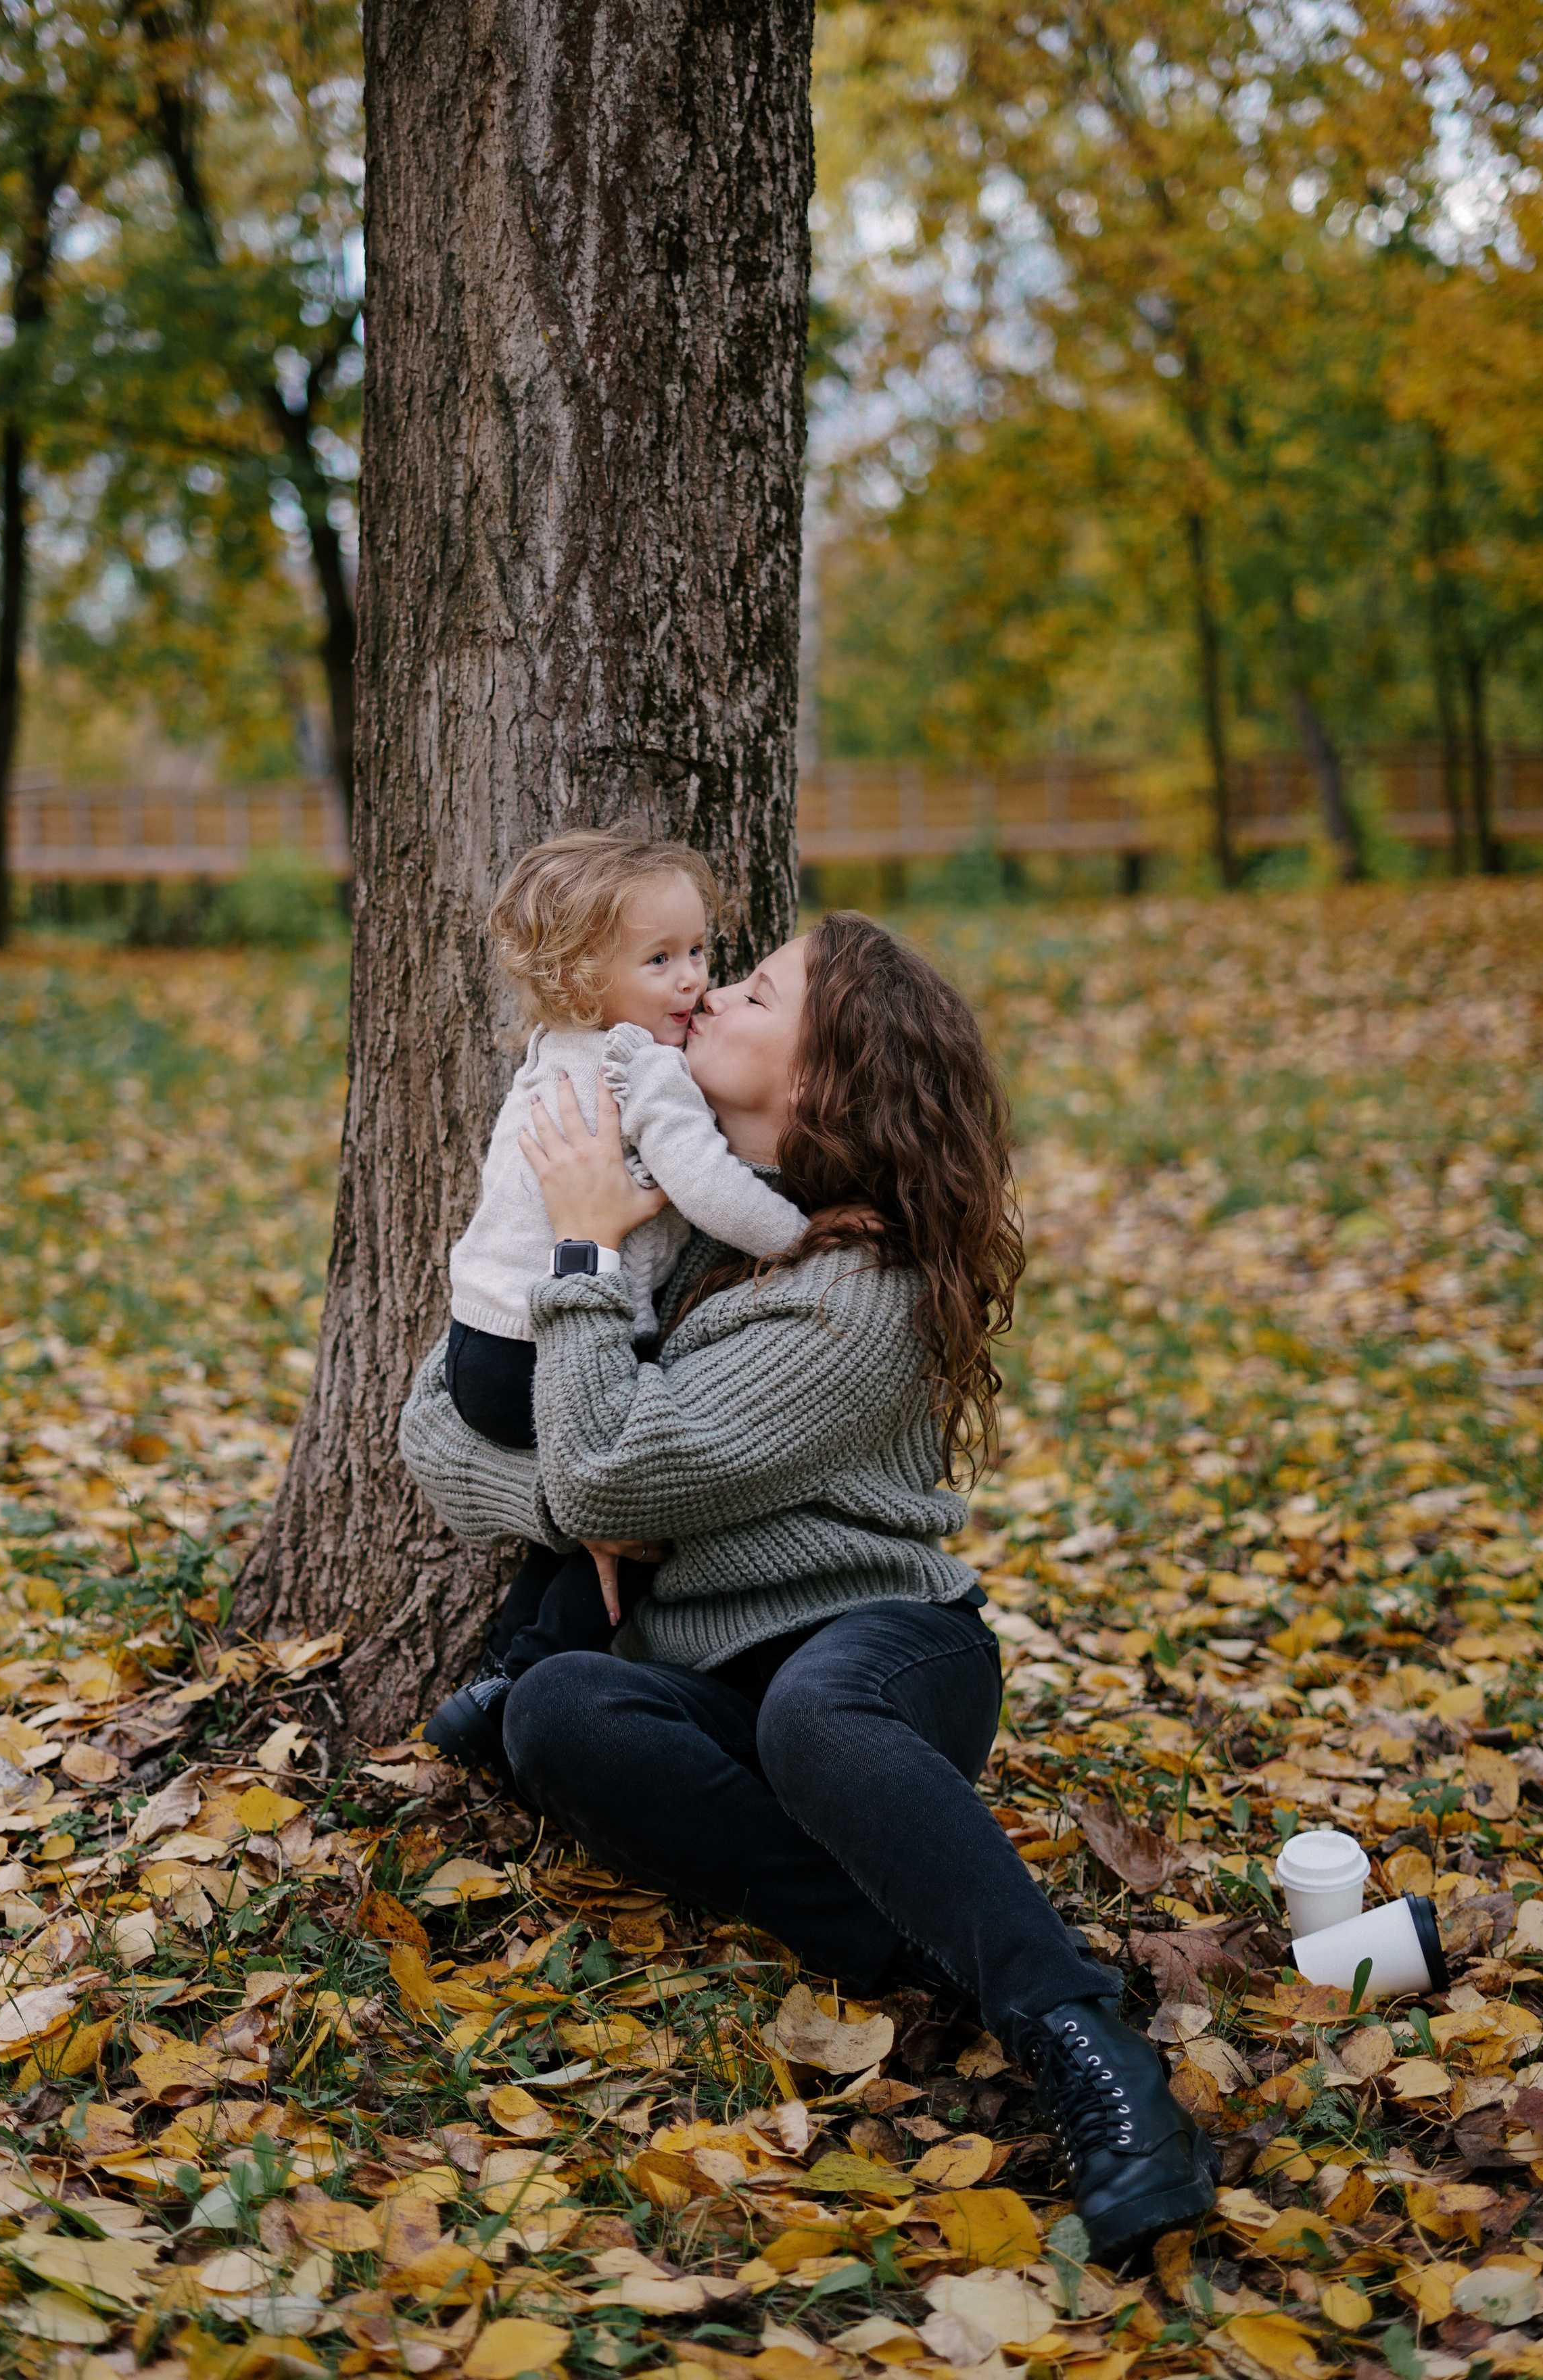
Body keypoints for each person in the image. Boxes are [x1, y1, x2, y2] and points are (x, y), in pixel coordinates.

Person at [400, 911, 1217, 2260]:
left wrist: (585, 1267)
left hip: (883, 1651)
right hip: (705, 1683)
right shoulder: (686, 1214)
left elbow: (607, 1478)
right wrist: (592, 1490)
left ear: (828, 1073)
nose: (711, 993)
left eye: (758, 989)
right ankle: (918, 1933)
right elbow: (437, 1426)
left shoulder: (862, 1291)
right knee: (554, 1714)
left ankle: (1096, 2060)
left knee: (815, 1714)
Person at [431, 829, 806, 1757]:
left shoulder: (550, 1053)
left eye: (699, 952)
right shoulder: (643, 1069)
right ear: (581, 977)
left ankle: (496, 1682)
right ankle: (527, 1681)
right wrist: (799, 1239)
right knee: (641, 1517)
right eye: (660, 959)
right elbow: (711, 1185)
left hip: (480, 1340)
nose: (694, 981)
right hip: (546, 1342)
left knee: (581, 1536)